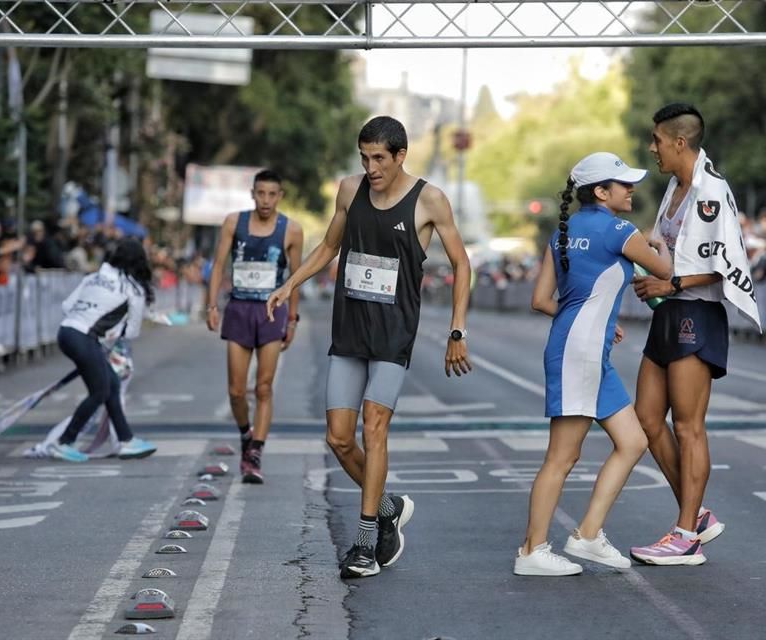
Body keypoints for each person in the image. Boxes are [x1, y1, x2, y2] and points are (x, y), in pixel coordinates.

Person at [267, 116, 473, 579]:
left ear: (401, 155)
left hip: (394, 333)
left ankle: (363, 544)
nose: (371, 166)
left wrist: (457, 331)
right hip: (350, 328)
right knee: (339, 438)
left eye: (379, 158)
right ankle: (389, 506)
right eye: (364, 157)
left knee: (373, 428)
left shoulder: (430, 200)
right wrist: (289, 285)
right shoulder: (348, 190)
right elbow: (327, 248)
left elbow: (462, 263)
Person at [513, 153, 672, 576]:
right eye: (623, 184)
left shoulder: (562, 233)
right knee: (561, 458)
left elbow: (541, 301)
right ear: (601, 192)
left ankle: (586, 535)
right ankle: (532, 550)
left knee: (634, 442)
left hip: (580, 347)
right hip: (580, 353)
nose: (631, 189)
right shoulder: (621, 230)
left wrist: (599, 320)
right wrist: (659, 244)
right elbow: (666, 272)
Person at [630, 103, 760, 566]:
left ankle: (685, 536)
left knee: (688, 427)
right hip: (666, 315)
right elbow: (661, 242)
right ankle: (697, 513)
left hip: (696, 316)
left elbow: (727, 263)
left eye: (658, 142)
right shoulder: (673, 187)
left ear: (679, 142)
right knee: (646, 418)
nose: (653, 149)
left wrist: (673, 282)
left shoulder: (712, 189)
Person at [206, 169, 304, 483]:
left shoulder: (292, 230)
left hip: (271, 312)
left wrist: (292, 318)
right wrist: (211, 306)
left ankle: (256, 451)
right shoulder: (235, 223)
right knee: (236, 390)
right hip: (239, 308)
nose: (266, 200)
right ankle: (246, 433)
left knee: (263, 387)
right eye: (260, 193)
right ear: (252, 193)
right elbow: (219, 264)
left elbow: (295, 278)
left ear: (280, 196)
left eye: (272, 194)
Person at [49, 238, 157, 463]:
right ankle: (64, 442)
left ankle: (126, 440)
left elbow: (67, 306)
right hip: (84, 337)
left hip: (66, 331)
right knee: (99, 391)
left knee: (111, 385)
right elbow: (132, 332)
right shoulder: (133, 289)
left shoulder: (93, 277)